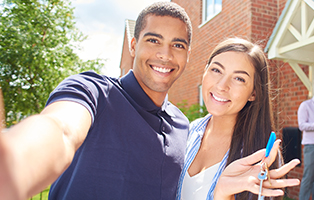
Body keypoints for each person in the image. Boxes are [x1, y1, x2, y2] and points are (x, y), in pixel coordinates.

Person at [0, 2, 192, 199]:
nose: (165, 55)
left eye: (177, 45)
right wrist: (14, 162)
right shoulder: (95, 92)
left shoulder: (183, 125)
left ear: (187, 54)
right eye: (154, 40)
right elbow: (62, 129)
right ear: (133, 46)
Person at [176, 38, 301, 200]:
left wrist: (222, 195)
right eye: (216, 70)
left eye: (239, 79)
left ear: (253, 93)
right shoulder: (187, 132)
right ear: (205, 72)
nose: (222, 85)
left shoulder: (260, 157)